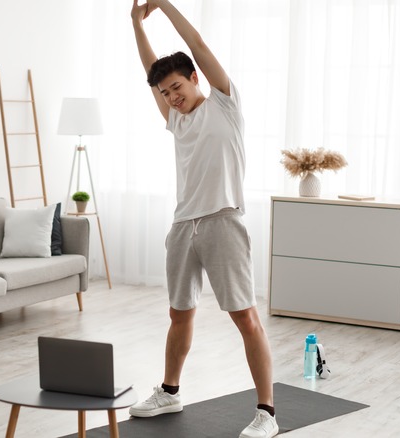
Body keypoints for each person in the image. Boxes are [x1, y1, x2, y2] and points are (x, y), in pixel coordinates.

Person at [128, 1, 279, 437]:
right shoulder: (176, 120)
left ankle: (266, 413)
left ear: (195, 78)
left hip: (223, 222)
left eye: (177, 86)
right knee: (180, 314)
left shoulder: (225, 105)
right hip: (183, 227)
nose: (172, 96)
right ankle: (170, 392)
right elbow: (148, 67)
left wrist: (165, 6)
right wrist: (135, 25)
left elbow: (197, 44)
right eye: (165, 93)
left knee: (245, 317)